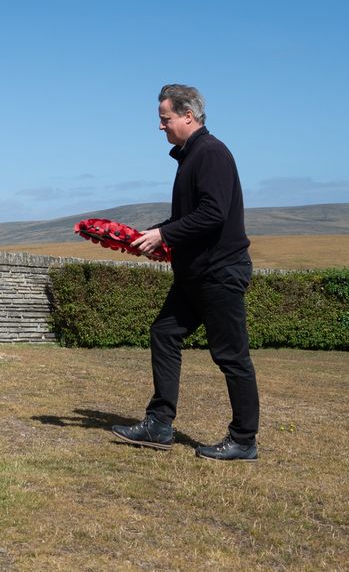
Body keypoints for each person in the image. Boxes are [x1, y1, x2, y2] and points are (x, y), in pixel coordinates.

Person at [112, 84, 260, 461]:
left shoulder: (212, 153)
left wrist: (165, 233)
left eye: (165, 119)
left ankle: (244, 440)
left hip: (220, 271)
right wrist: (153, 237)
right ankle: (159, 424)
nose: (161, 127)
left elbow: (214, 214)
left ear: (187, 116)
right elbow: (187, 220)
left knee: (231, 356)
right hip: (195, 274)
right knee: (164, 333)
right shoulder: (190, 158)